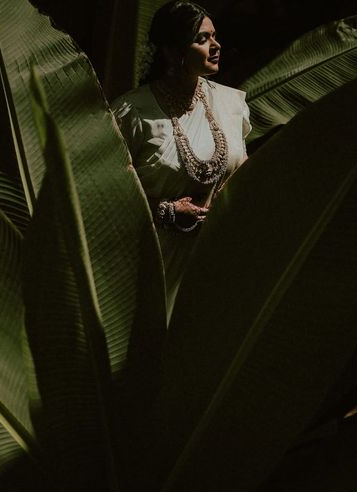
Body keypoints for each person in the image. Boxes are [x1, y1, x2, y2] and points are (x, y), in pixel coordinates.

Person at [112, 0, 251, 321]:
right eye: (202, 39)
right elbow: (106, 194)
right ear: (173, 52)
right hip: (152, 263)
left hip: (217, 258)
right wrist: (166, 211)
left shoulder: (231, 104)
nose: (215, 46)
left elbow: (244, 166)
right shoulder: (132, 113)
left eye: (214, 36)